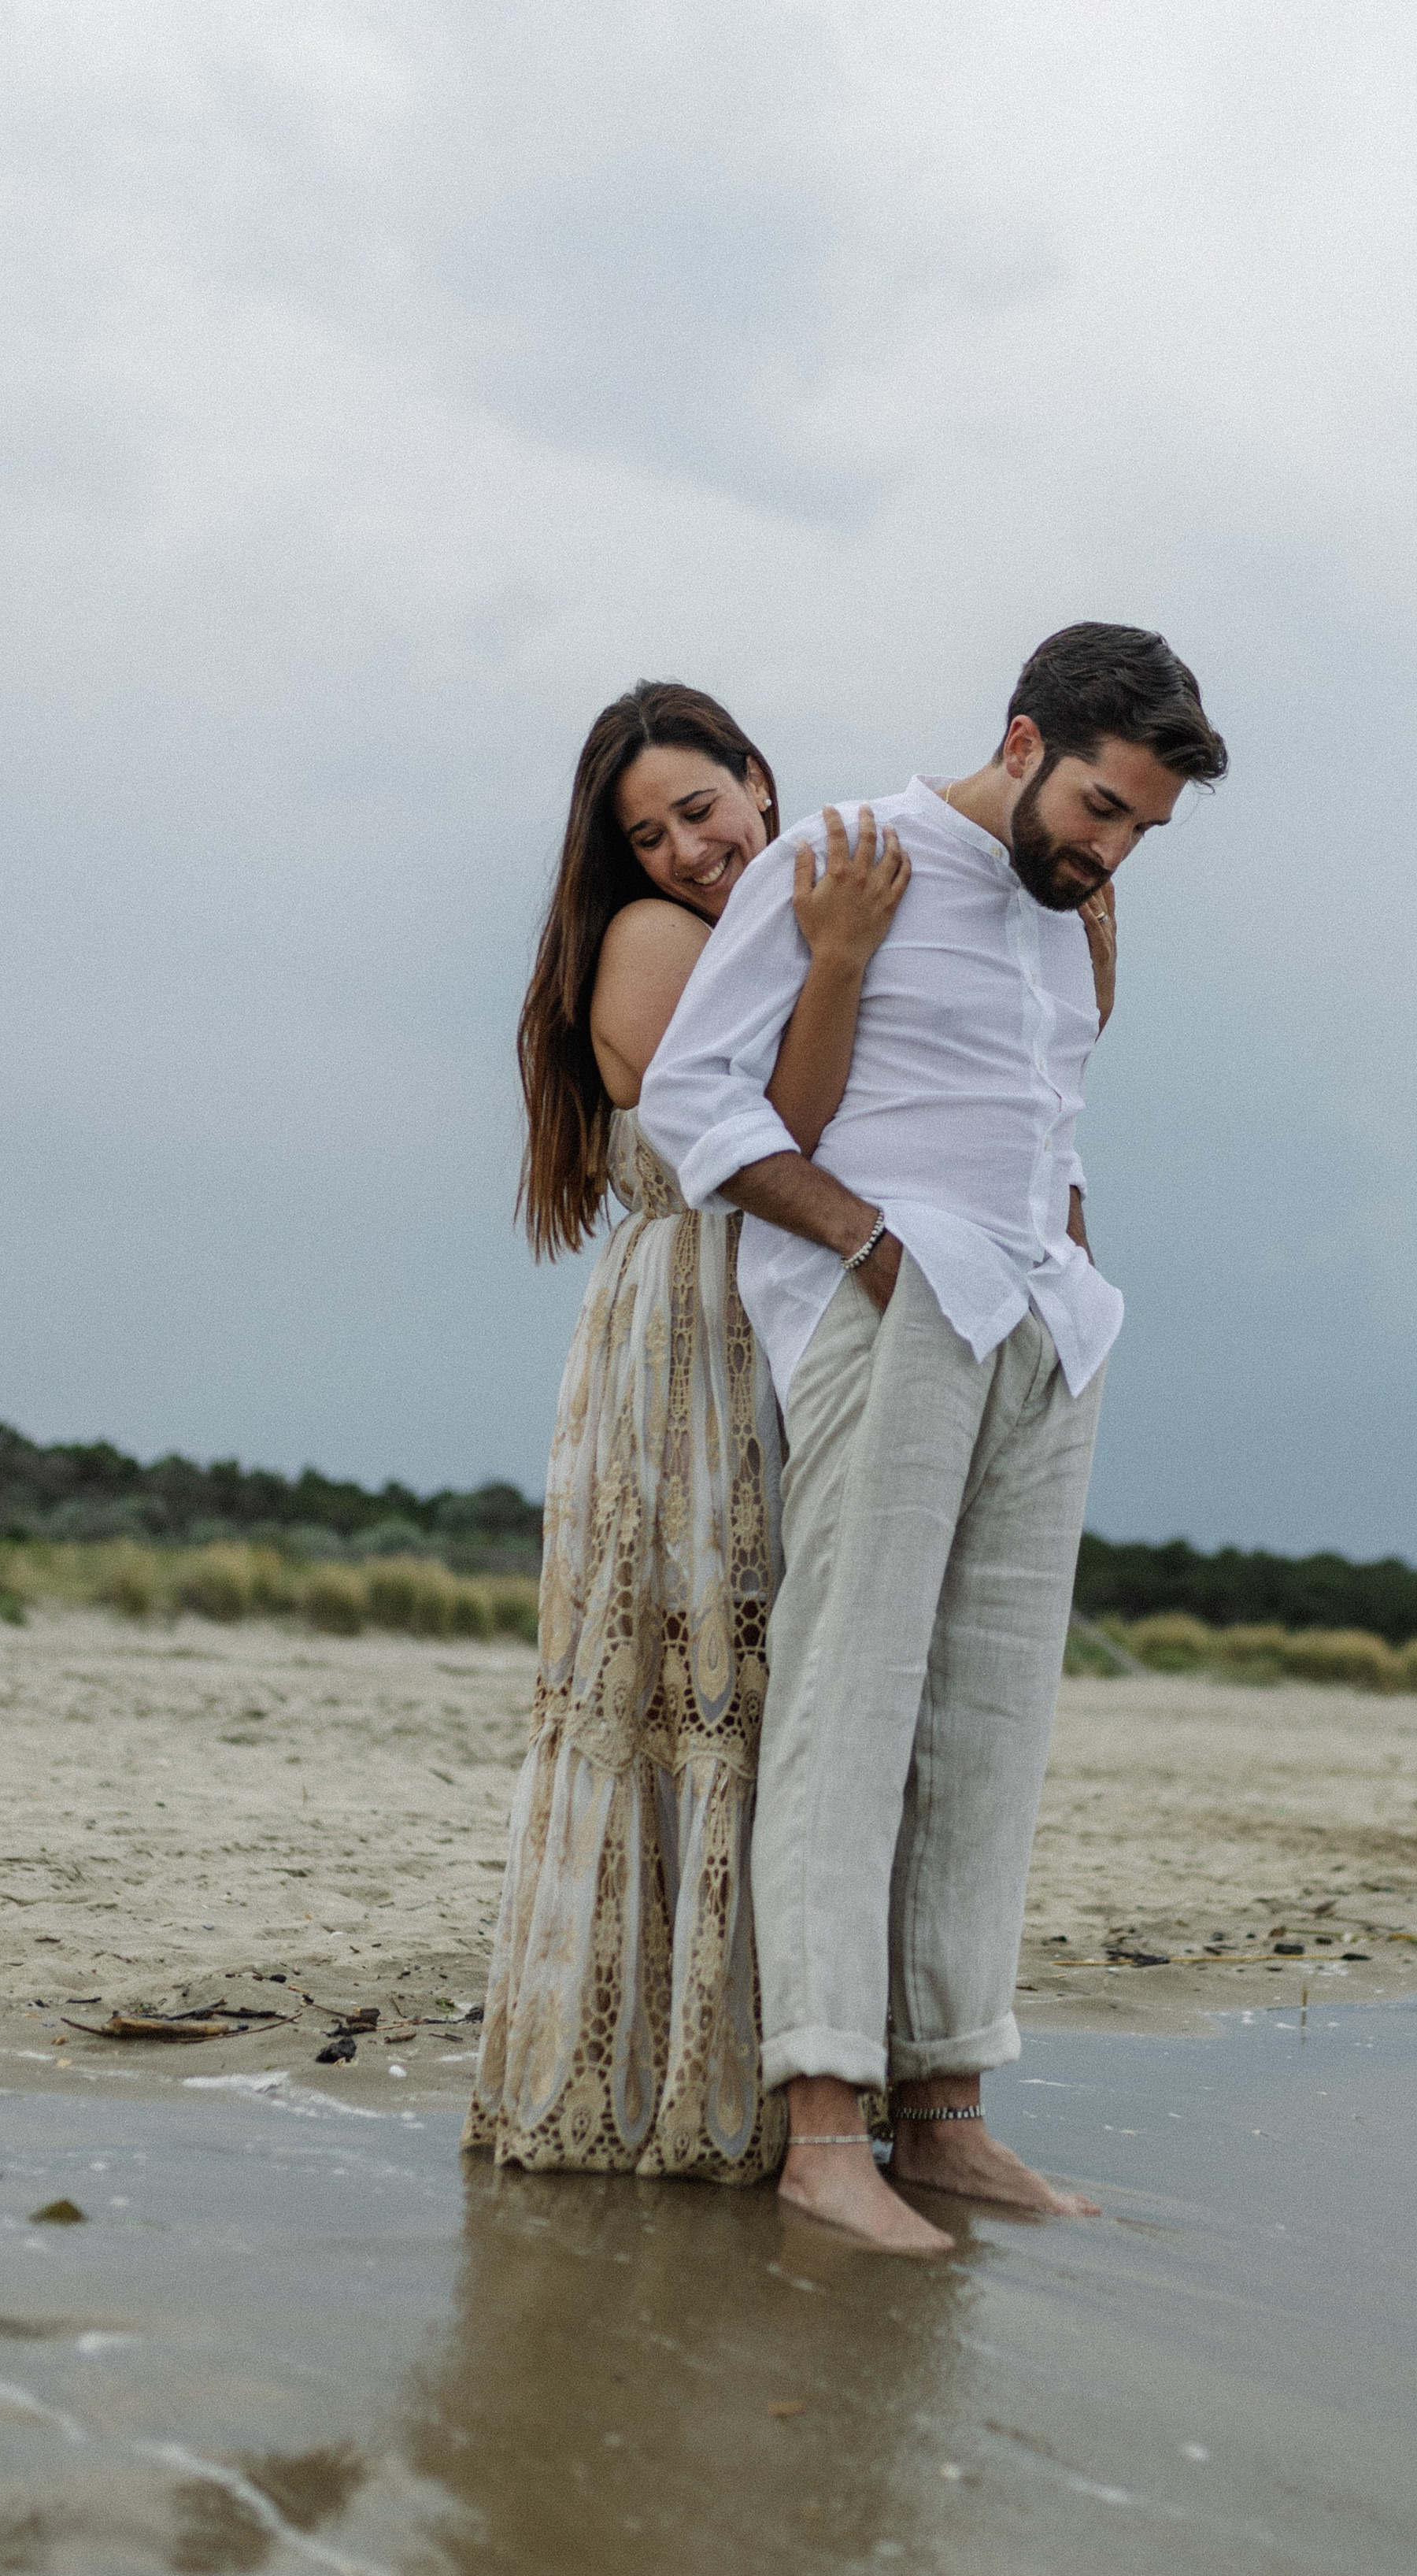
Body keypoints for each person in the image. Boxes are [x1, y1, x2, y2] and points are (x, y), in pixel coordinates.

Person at [639, 623, 1227, 2251]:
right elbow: (697, 1098)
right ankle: (822, 2124)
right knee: (851, 1696)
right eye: (1100, 807)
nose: (1109, 848)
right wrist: (867, 1243)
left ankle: (945, 2112)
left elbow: (1038, 1103)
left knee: (988, 1726)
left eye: (1139, 832)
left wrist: (1071, 1241)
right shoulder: (849, 851)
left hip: (1042, 1324)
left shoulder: (1068, 911)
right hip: (891, 1311)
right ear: (1025, 738)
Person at [465, 682, 909, 2181]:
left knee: (769, 1681)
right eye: (647, 835)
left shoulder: (764, 919)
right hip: (695, 1338)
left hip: (773, 1312)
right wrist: (842, 953)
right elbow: (761, 1135)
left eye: (700, 811)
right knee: (693, 1682)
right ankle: (677, 2096)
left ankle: (770, 2074)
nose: (683, 852)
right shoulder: (660, 943)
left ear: (762, 784)